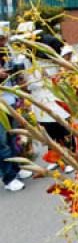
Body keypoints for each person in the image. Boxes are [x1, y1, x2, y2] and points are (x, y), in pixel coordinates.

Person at [23, 31, 75, 173]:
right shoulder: (27, 58)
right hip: (39, 97)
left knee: (63, 127)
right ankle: (55, 157)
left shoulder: (53, 52)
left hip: (56, 95)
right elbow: (29, 79)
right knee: (49, 129)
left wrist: (62, 71)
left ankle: (71, 158)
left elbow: (68, 50)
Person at [0, 28, 32, 192]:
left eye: (4, 39)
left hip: (10, 100)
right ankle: (9, 177)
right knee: (2, 142)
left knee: (13, 137)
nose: (3, 42)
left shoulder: (6, 52)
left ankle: (17, 169)